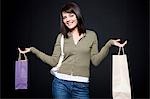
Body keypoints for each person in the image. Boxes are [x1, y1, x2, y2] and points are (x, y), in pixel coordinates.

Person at [18, 2, 127, 99]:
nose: (68, 19)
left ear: (77, 15)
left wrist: (109, 44)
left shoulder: (91, 35)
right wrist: (33, 50)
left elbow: (95, 61)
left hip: (82, 86)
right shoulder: (61, 37)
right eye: (64, 17)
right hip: (61, 84)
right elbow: (53, 61)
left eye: (71, 15)